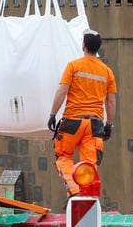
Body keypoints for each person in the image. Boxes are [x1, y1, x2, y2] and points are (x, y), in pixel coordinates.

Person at [48, 29, 117, 199]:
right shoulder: (107, 72)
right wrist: (109, 125)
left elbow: (62, 92)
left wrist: (52, 114)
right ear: (98, 48)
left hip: (73, 122)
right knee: (89, 164)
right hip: (94, 125)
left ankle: (74, 191)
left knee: (64, 157)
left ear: (83, 46)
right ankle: (86, 196)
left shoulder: (74, 66)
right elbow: (111, 102)